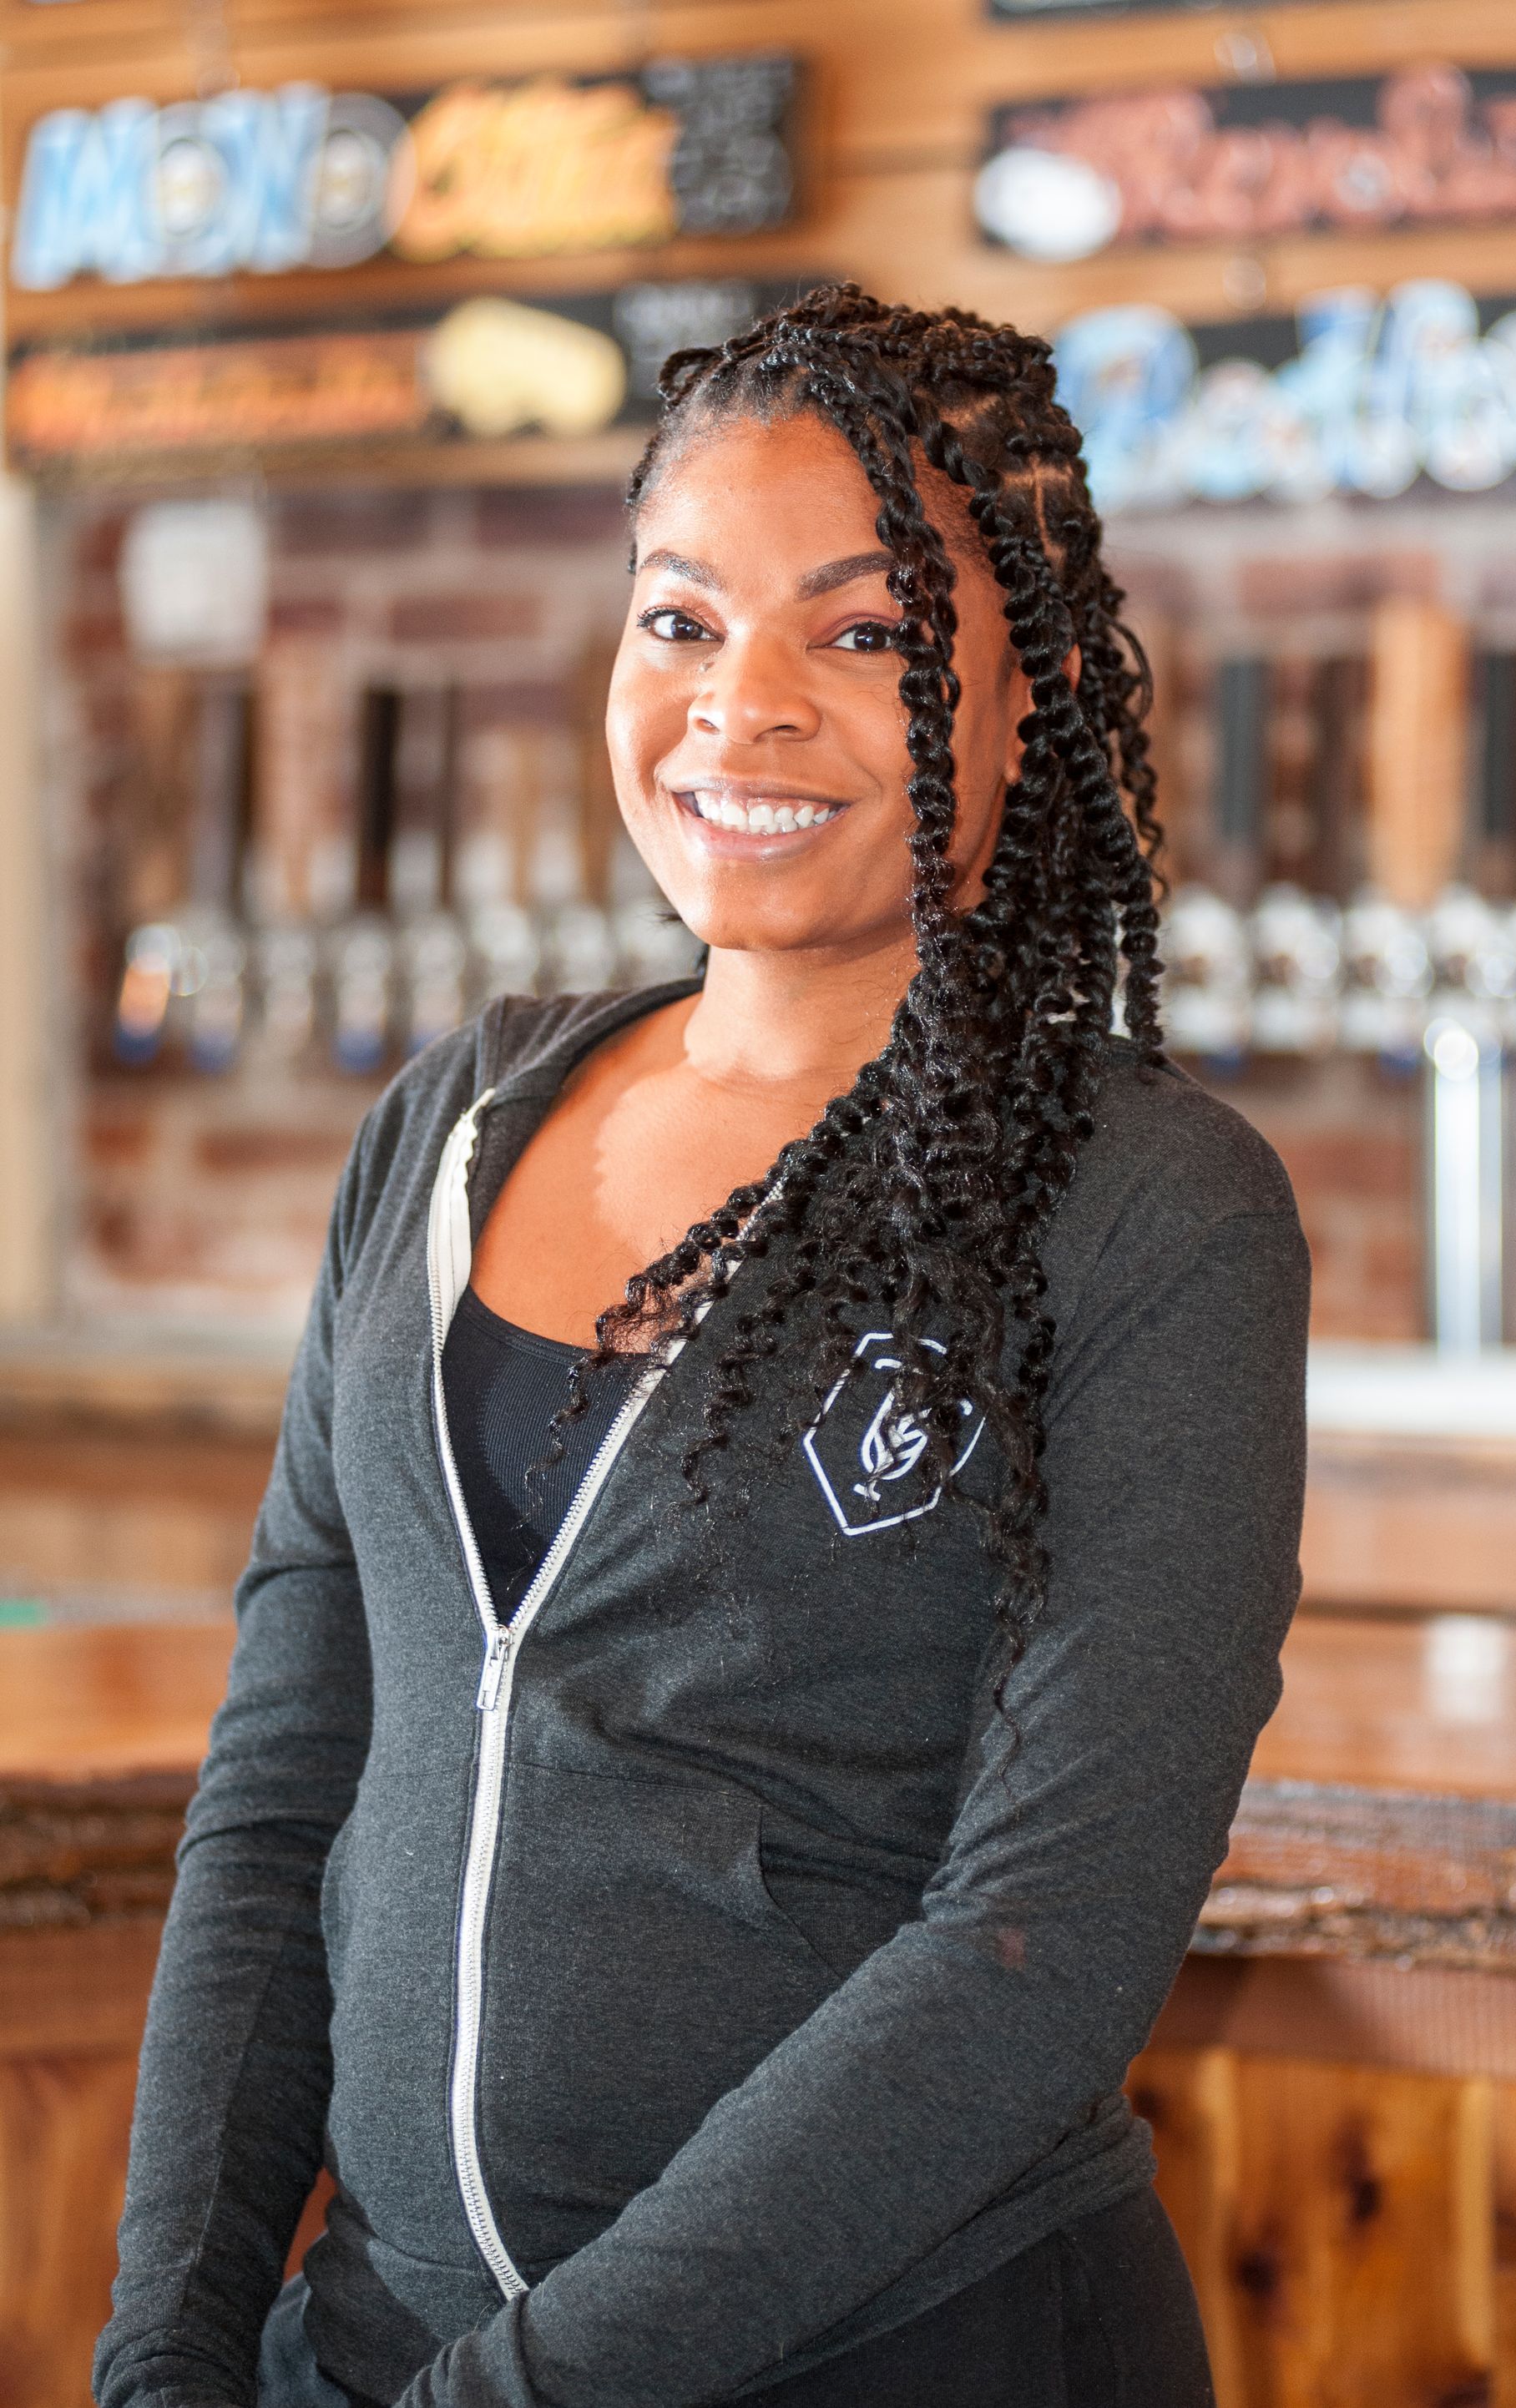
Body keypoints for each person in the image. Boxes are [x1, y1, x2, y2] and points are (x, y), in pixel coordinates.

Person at [95, 285, 1308, 2408]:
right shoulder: (453, 1128)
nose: (739, 709)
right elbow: (287, 1784)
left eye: (863, 634)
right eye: (681, 620)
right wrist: (175, 2351)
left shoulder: (1145, 1208)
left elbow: (1038, 1949)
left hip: (903, 2353)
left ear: (1027, 697)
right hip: (369, 2348)